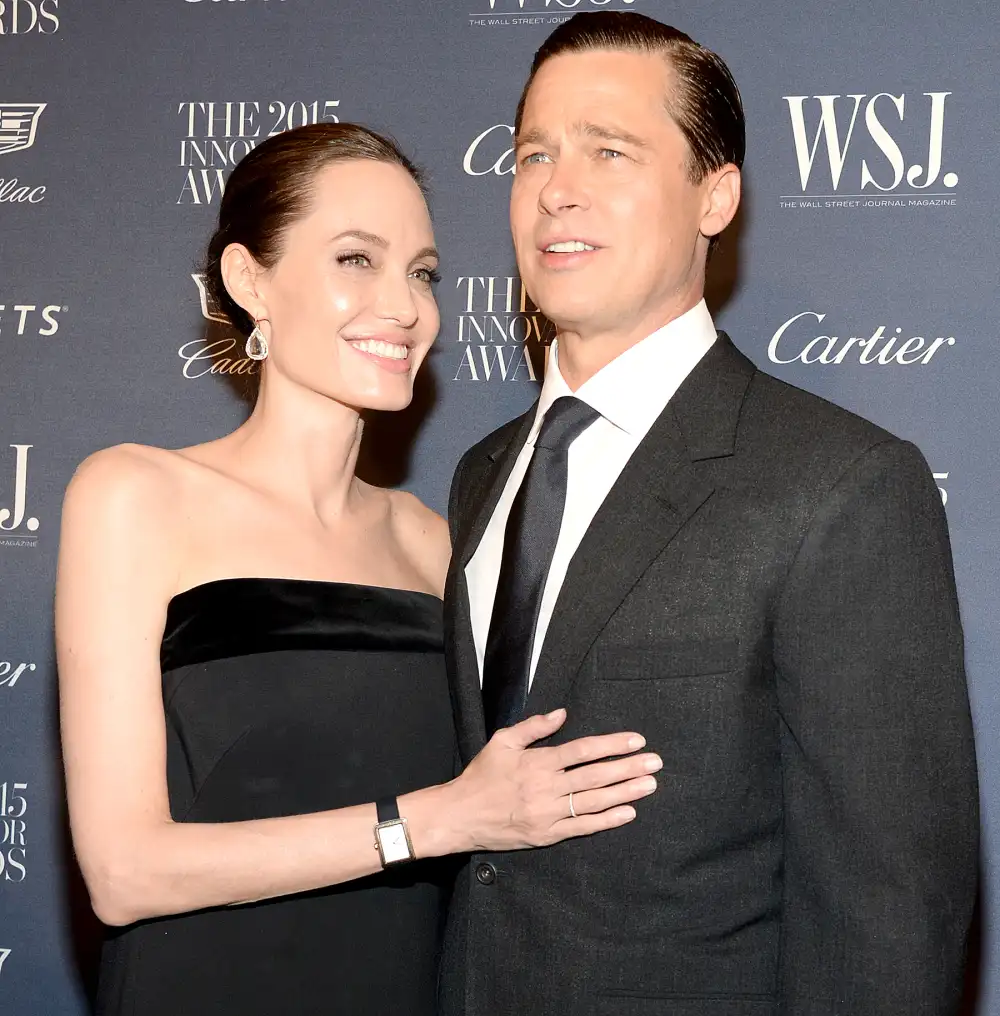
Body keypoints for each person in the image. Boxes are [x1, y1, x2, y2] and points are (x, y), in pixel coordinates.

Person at [55, 123, 662, 1016]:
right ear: (248, 280)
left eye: (422, 273)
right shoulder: (134, 496)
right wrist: (434, 821)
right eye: (355, 260)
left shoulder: (438, 543)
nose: (406, 307)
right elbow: (124, 872)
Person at [440, 13, 979, 1016]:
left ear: (715, 194)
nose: (558, 186)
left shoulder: (842, 484)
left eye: (611, 149)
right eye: (534, 154)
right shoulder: (480, 475)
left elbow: (891, 906)